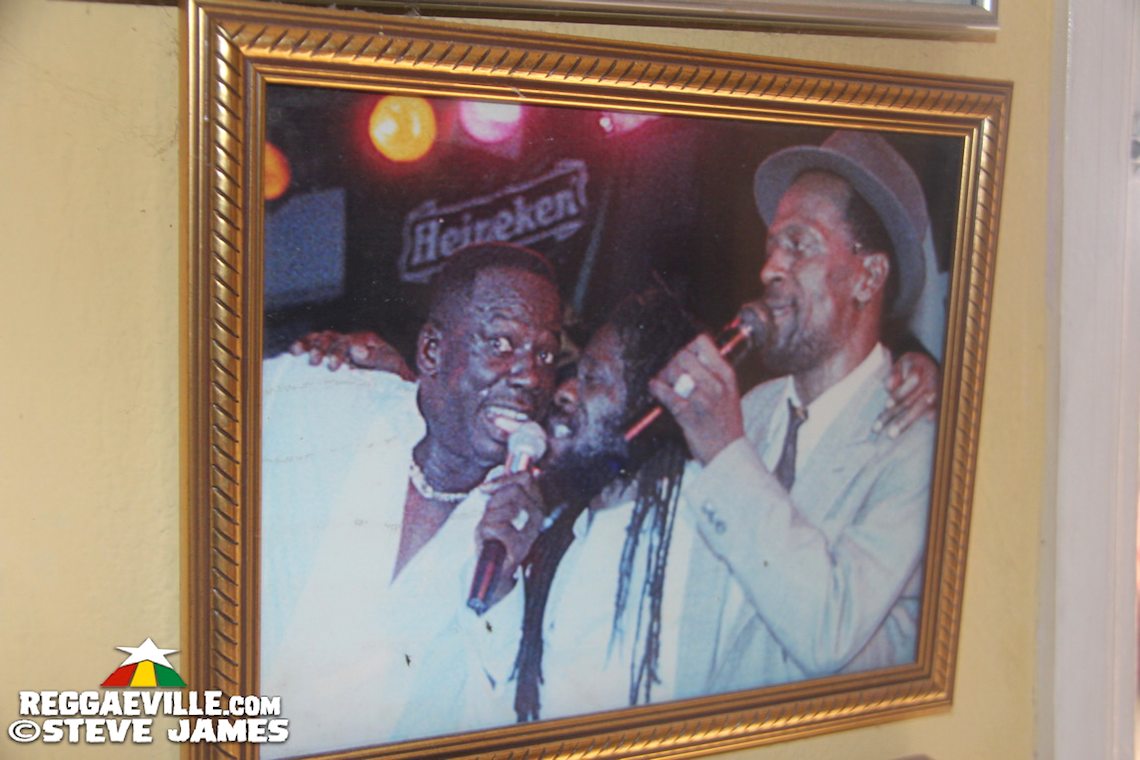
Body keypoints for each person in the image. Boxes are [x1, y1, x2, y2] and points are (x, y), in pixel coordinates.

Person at [650, 130, 940, 694]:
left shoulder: (919, 443)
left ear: (868, 276)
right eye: (771, 246)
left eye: (800, 244)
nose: (770, 270)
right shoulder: (749, 411)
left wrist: (725, 453)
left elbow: (828, 632)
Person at [259, 243, 560, 756]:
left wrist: (505, 584)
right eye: (501, 344)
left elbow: (507, 719)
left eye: (546, 354)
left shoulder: (536, 534)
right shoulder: (316, 398)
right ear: (430, 353)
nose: (531, 376)